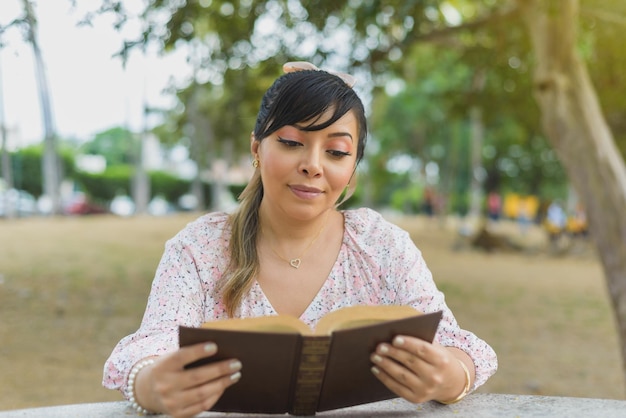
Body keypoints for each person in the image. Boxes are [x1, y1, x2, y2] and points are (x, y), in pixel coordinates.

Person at [103, 62, 497, 418]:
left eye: (337, 151)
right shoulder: (200, 247)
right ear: (257, 148)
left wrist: (449, 377)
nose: (312, 164)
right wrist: (151, 385)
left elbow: (458, 345)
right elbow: (148, 348)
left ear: (353, 165)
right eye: (292, 143)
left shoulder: (381, 245)